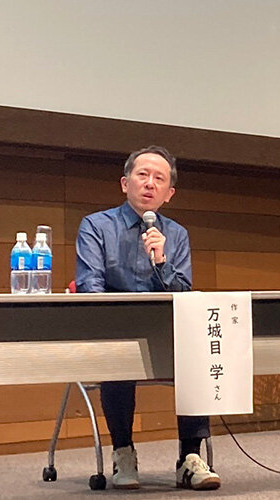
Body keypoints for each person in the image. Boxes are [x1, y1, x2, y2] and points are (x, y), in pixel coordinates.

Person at [75, 145, 221, 491]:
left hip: (165, 333)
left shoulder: (176, 234)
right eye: (142, 175)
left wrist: (161, 261)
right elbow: (90, 287)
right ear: (125, 183)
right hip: (115, 329)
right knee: (120, 352)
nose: (150, 183)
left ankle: (189, 457)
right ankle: (123, 452)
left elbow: (183, 293)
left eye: (159, 179)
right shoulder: (96, 226)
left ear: (169, 193)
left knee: (200, 351)